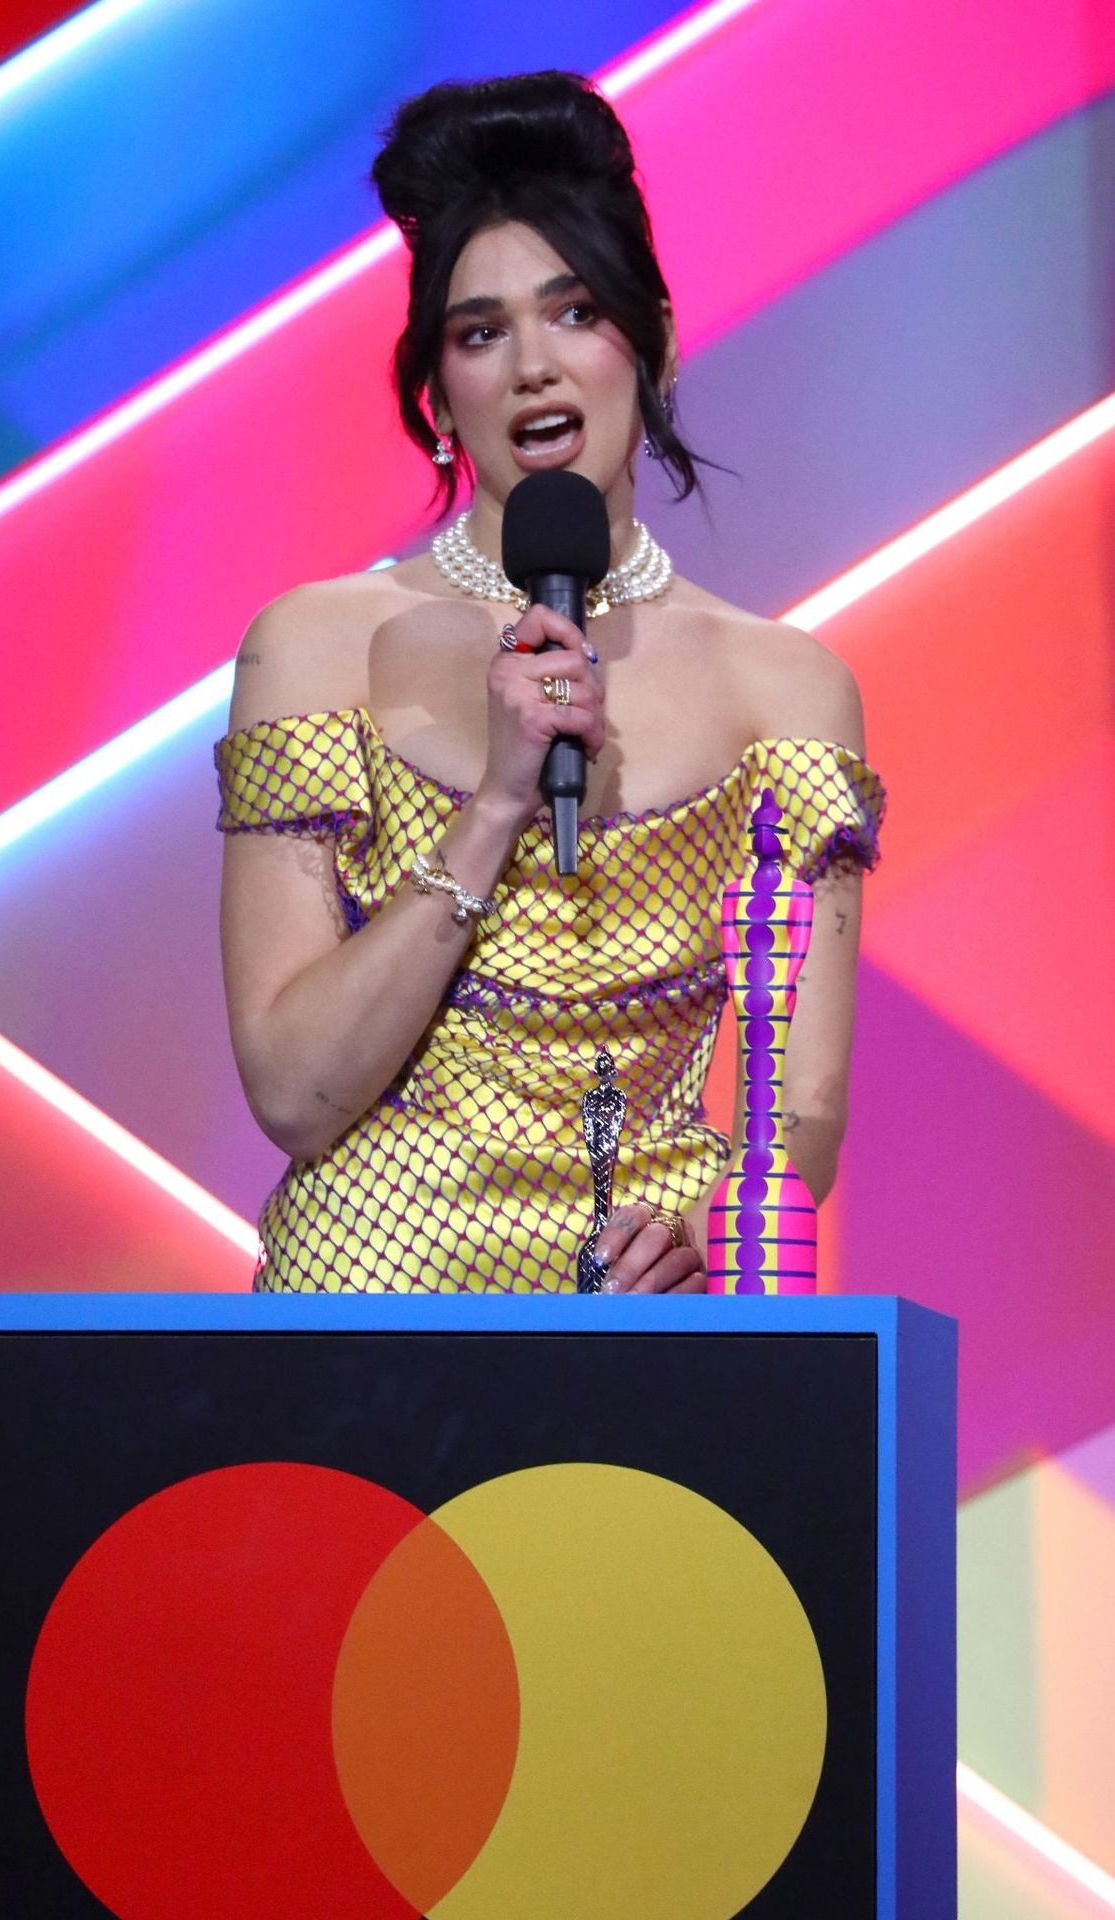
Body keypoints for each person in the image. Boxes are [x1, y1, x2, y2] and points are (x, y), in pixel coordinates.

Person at [214, 70, 885, 1296]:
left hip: (651, 1308)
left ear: (654, 343)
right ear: (437, 394)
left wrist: (707, 1241)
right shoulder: (317, 649)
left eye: (574, 313)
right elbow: (293, 1094)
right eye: (480, 333)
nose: (531, 365)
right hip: (372, 1308)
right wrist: (494, 804)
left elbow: (802, 1112)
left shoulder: (785, 690)